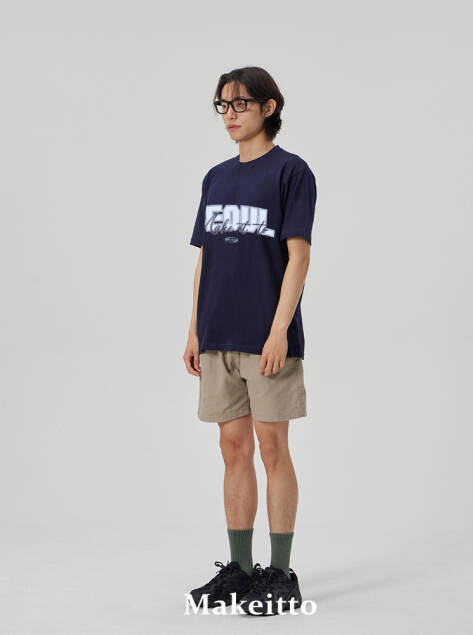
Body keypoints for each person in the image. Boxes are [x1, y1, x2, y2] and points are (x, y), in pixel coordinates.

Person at [183, 66, 317, 616]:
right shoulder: (215, 178)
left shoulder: (291, 172)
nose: (230, 114)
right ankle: (239, 570)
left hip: (267, 338)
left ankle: (281, 575)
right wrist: (194, 328)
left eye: (240, 103)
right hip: (217, 336)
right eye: (223, 105)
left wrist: (280, 328)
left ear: (268, 106)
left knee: (272, 449)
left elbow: (298, 257)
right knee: (232, 450)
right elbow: (205, 259)